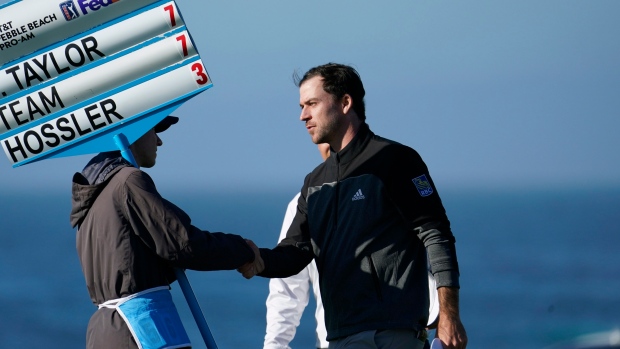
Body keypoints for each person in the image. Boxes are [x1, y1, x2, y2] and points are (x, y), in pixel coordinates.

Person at [240, 63, 467, 349]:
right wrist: (253, 259)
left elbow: (437, 234)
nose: (302, 115)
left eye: (312, 103)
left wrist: (449, 316)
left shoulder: (397, 160)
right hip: (338, 339)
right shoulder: (314, 183)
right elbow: (294, 254)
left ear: (345, 102)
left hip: (391, 335)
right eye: (301, 106)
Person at [70, 116, 258, 349]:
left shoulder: (95, 192)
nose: (159, 142)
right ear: (134, 133)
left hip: (105, 332)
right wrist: (243, 251)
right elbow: (183, 244)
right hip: (140, 330)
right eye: (154, 131)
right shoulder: (129, 180)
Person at [264, 144, 331, 349]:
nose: (327, 145)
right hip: (332, 342)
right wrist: (275, 345)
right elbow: (287, 288)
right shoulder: (304, 202)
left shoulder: (383, 187)